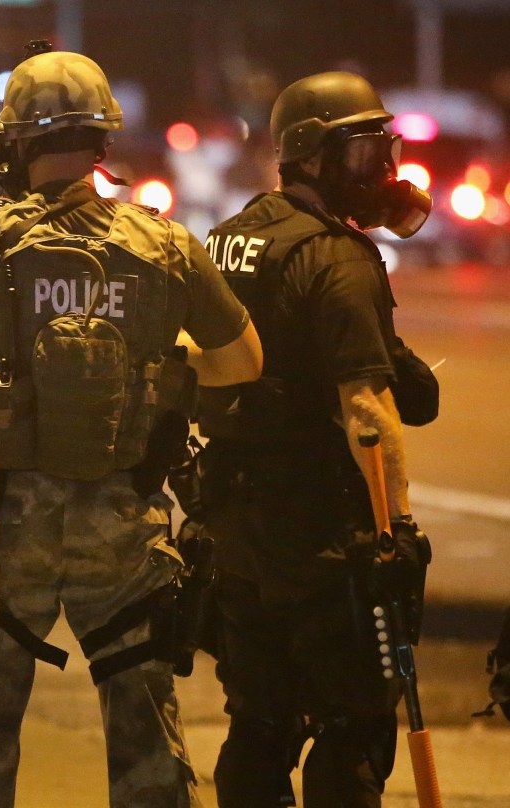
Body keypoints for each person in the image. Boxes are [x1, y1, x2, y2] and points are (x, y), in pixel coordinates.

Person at [0, 50, 262, 808]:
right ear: (105, 143)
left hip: (7, 528)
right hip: (123, 524)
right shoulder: (165, 244)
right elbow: (242, 361)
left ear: (13, 146)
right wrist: (162, 364)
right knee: (149, 757)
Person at [196, 71, 436, 808]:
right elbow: (365, 409)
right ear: (311, 156)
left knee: (258, 725)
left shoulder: (231, 237)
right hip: (322, 537)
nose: (382, 173)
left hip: (237, 529)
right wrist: (391, 532)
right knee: (351, 725)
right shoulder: (336, 258)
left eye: (383, 152)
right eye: (363, 156)